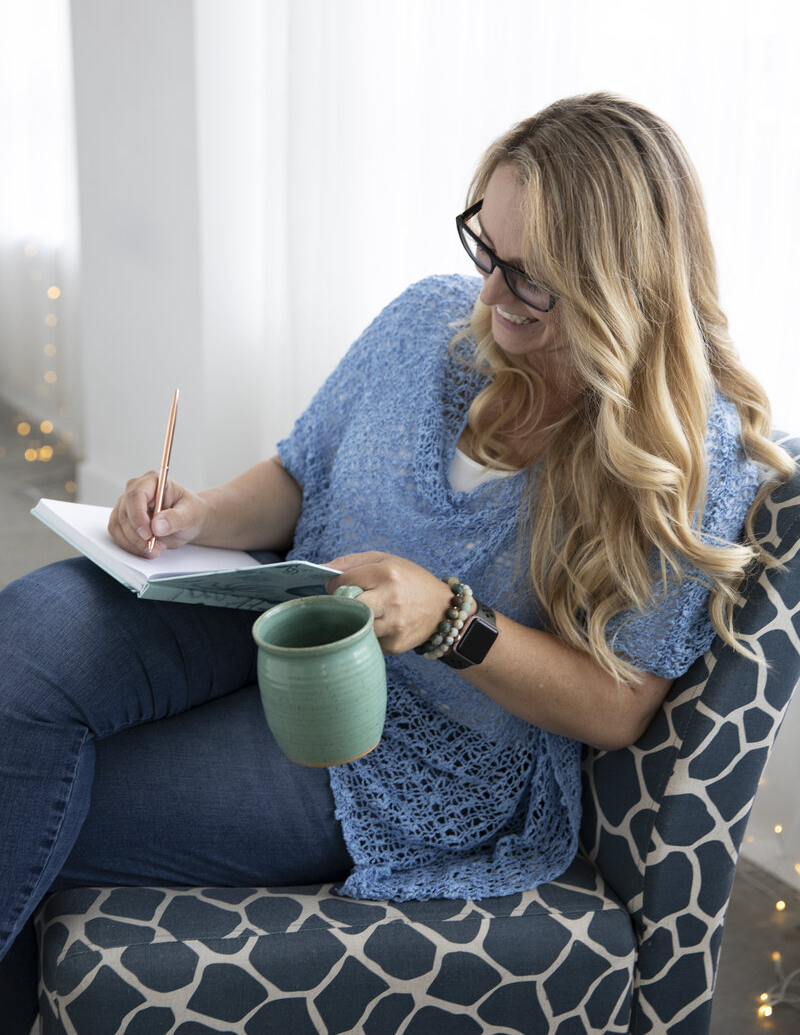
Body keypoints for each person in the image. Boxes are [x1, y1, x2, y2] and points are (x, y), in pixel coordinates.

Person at [0, 93, 792, 1025]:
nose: (491, 295)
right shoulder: (430, 319)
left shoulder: (684, 453)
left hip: (396, 749)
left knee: (44, 807)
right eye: (486, 250)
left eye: (531, 279)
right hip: (271, 603)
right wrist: (198, 513)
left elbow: (618, 707)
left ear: (620, 284)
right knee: (23, 642)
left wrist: (453, 621)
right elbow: (300, 472)